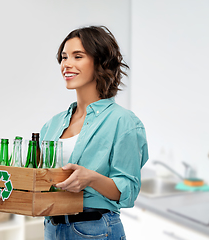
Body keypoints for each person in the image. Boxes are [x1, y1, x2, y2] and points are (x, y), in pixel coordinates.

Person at [39, 26, 149, 240]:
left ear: (100, 62)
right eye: (63, 57)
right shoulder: (52, 125)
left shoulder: (123, 122)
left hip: (94, 230)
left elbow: (128, 191)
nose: (66, 64)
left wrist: (91, 179)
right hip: (52, 227)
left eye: (77, 56)